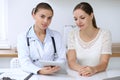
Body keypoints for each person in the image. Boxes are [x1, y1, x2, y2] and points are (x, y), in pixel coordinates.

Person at [17, 2, 66, 75]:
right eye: (42, 16)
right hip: (32, 75)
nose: (46, 21)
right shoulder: (23, 37)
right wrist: (39, 70)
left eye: (49, 18)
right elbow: (24, 62)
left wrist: (53, 67)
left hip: (52, 75)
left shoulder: (56, 36)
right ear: (34, 15)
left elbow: (62, 58)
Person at [67, 2, 112, 77]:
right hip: (81, 76)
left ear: (91, 16)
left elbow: (104, 63)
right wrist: (83, 70)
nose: (78, 22)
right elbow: (71, 61)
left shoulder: (105, 34)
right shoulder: (72, 34)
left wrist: (93, 69)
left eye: (82, 18)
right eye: (75, 19)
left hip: (100, 76)